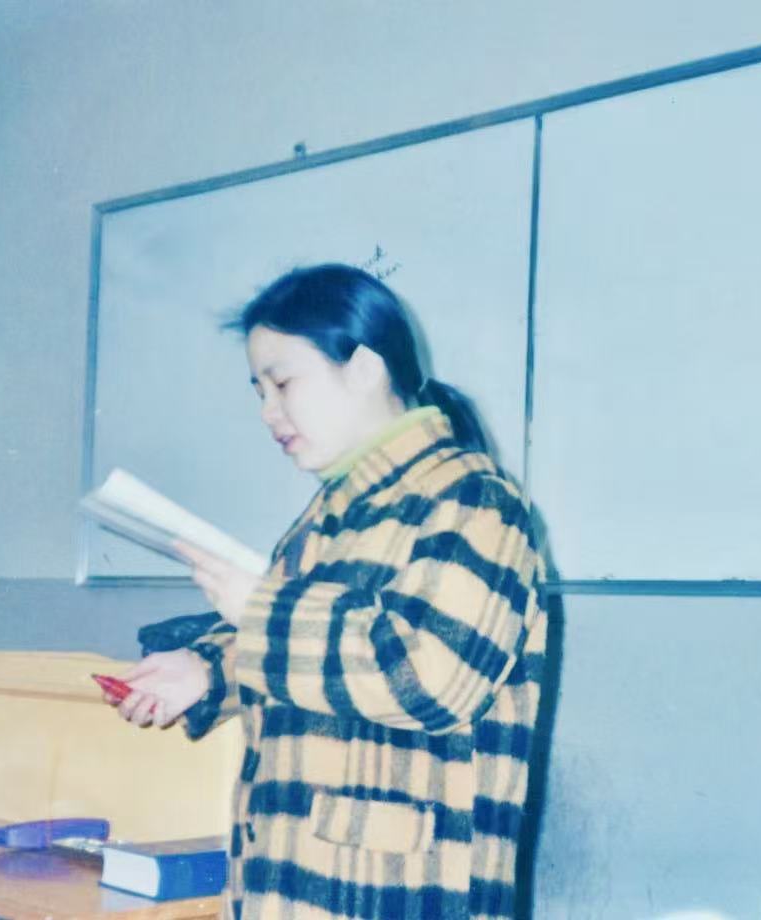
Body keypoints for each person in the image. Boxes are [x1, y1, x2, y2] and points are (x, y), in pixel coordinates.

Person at [107, 264, 549, 920]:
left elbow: (428, 678)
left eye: (283, 382)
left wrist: (259, 611)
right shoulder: (320, 519)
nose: (268, 412)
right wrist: (207, 670)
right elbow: (314, 648)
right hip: (289, 883)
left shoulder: (474, 497)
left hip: (398, 894)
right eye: (259, 391)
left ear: (364, 368)